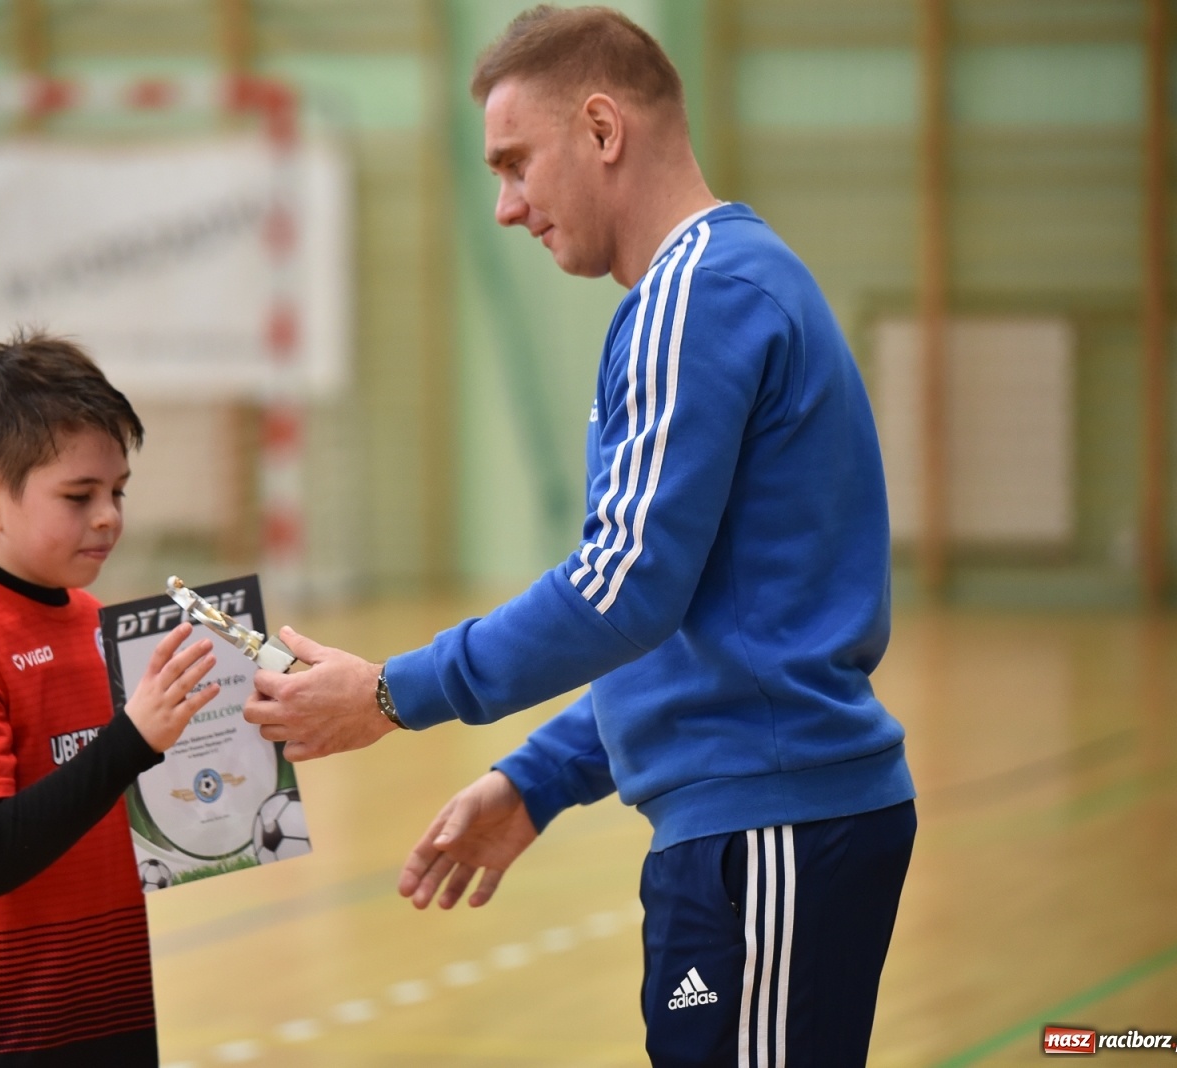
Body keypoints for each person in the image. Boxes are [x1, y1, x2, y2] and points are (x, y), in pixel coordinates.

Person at [244, 7, 917, 1066]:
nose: (506, 207)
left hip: (769, 827)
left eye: (516, 164)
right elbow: (701, 625)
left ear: (602, 128)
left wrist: (388, 694)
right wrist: (541, 777)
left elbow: (620, 592)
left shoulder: (693, 297)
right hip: (745, 825)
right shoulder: (715, 288)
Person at [0, 331, 220, 1067]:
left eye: (118, 491)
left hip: (104, 996)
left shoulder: (99, 625)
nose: (109, 515)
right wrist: (134, 739)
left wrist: (231, 746)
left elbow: (116, 797)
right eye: (79, 495)